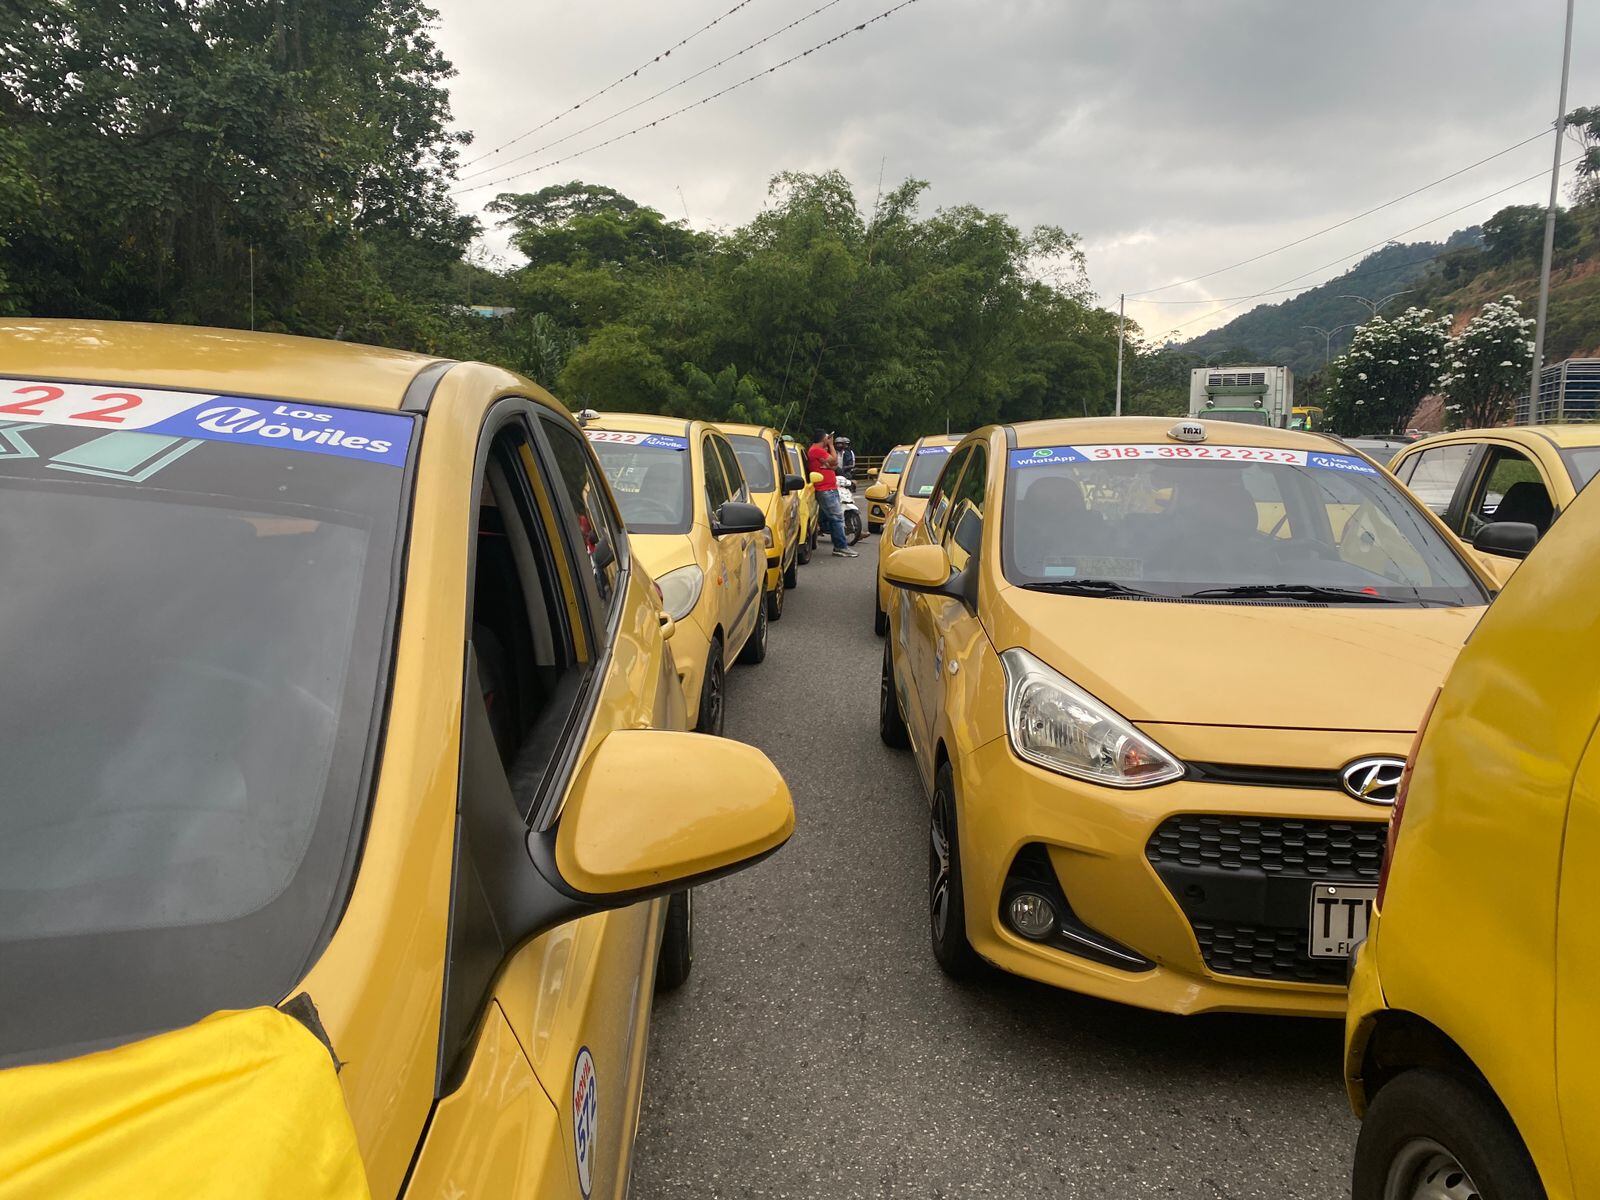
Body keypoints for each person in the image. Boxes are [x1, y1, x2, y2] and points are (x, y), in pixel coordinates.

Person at [807, 430, 858, 557]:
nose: (830, 440)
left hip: (830, 488)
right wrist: (831, 445)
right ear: (823, 439)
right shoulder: (816, 450)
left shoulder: (820, 452)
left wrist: (829, 465)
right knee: (837, 517)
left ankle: (835, 540)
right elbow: (835, 461)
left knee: (829, 518)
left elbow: (834, 466)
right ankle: (840, 547)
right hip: (825, 489)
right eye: (827, 438)